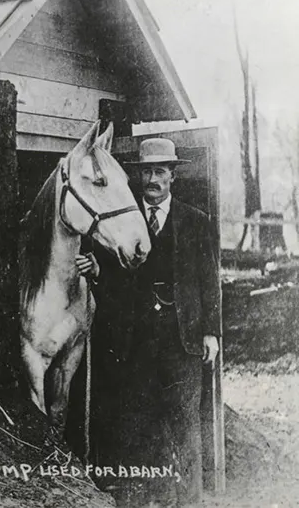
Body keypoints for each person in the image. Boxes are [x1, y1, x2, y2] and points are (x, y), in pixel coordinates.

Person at [77, 138, 221, 507]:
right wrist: (96, 272)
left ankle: (187, 502)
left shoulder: (196, 221)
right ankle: (143, 500)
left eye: (159, 171)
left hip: (182, 339)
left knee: (184, 424)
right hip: (136, 339)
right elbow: (111, 283)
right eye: (145, 172)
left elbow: (209, 279)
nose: (152, 179)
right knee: (138, 423)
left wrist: (211, 331)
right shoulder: (125, 218)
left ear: (173, 175)